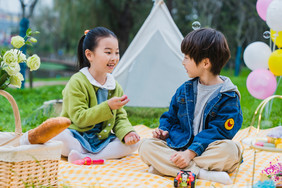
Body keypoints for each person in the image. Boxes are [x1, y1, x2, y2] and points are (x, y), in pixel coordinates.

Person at [138, 28, 243, 185]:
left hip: (207, 149)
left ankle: (166, 167)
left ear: (205, 63)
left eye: (187, 57)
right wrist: (164, 131)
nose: (183, 62)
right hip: (179, 146)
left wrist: (191, 153)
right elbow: (170, 116)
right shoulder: (185, 90)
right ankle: (200, 173)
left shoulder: (228, 96)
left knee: (230, 151)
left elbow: (219, 132)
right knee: (145, 146)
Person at [20, 27, 140, 162]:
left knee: (134, 143)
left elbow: (120, 118)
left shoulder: (114, 86)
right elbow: (79, 118)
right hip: (75, 137)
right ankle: (86, 154)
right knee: (60, 137)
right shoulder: (77, 82)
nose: (114, 58)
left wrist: (128, 133)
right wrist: (108, 107)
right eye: (108, 52)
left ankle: (86, 157)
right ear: (89, 55)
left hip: (101, 140)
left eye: (117, 53)